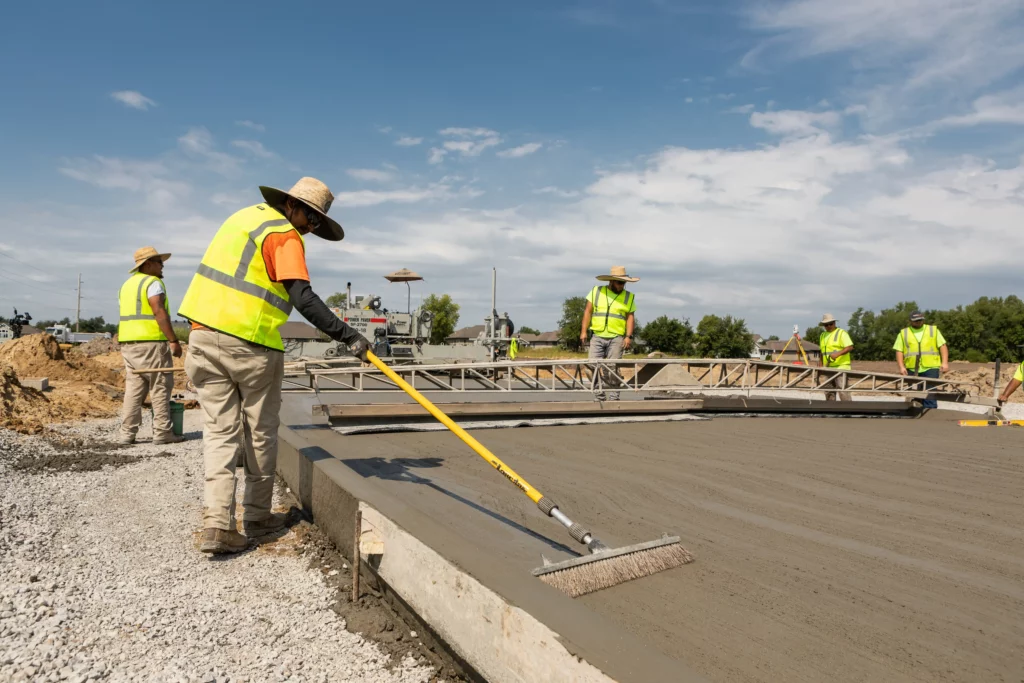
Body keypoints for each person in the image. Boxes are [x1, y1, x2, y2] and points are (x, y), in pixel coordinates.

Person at [179, 177, 370, 555]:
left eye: (316, 224)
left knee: (219, 434)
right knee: (260, 431)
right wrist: (349, 336)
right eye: (311, 219)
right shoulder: (284, 234)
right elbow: (303, 297)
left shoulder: (243, 220)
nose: (311, 229)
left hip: (202, 338)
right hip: (249, 345)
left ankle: (217, 524)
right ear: (293, 206)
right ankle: (257, 516)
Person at [117, 247, 184, 445]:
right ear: (147, 264)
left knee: (134, 389)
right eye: (159, 262)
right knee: (160, 386)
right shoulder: (153, 283)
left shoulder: (126, 286)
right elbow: (158, 311)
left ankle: (127, 434)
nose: (162, 266)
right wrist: (173, 340)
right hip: (152, 344)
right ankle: (163, 432)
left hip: (129, 344)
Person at [579, 266, 638, 401]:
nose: (622, 286)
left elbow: (630, 317)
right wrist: (583, 331)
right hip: (597, 335)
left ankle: (614, 396)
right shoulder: (596, 291)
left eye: (624, 283)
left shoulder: (628, 297)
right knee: (589, 367)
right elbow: (587, 311)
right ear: (611, 281)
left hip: (617, 337)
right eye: (619, 283)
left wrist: (628, 336)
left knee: (612, 368)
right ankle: (599, 395)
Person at [893, 310, 949, 409]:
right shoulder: (904, 333)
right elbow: (899, 350)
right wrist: (901, 367)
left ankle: (930, 414)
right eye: (916, 320)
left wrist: (944, 363)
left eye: (920, 320)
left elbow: (942, 346)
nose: (918, 322)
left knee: (930, 393)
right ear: (910, 321)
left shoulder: (933, 330)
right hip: (912, 368)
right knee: (914, 393)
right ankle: (916, 413)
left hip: (931, 367)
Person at [818, 313, 854, 401]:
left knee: (842, 390)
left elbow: (850, 347)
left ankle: (848, 411)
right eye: (826, 325)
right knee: (828, 390)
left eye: (831, 324)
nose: (829, 326)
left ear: (834, 323)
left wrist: (837, 354)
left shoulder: (841, 333)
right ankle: (831, 410)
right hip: (828, 367)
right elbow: (822, 352)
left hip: (841, 367)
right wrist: (820, 365)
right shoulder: (823, 335)